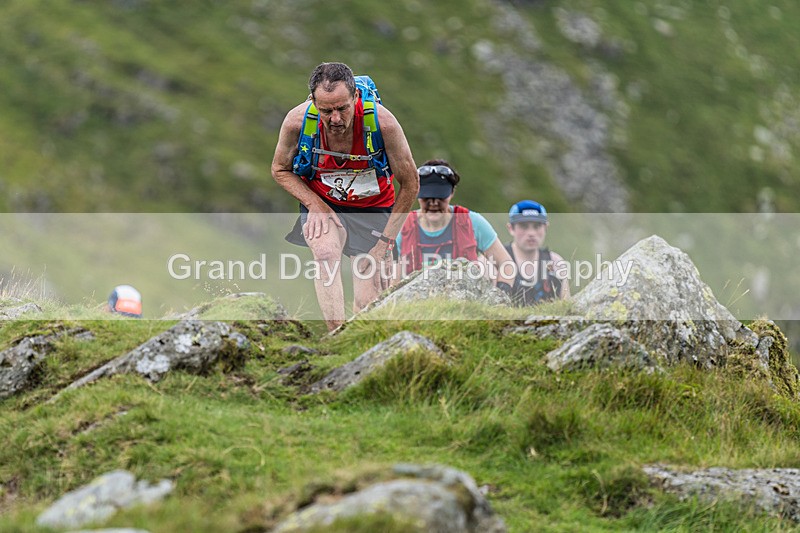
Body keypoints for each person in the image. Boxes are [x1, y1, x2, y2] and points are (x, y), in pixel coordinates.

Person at [271, 62, 419, 331]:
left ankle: (360, 341)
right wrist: (315, 205)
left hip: (373, 207)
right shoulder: (297, 122)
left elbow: (411, 184)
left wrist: (385, 243)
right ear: (313, 102)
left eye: (342, 108)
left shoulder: (383, 124)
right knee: (326, 254)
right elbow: (279, 169)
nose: (335, 119)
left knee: (368, 299)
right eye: (326, 110)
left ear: (355, 97)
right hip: (323, 201)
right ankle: (336, 335)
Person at [396, 159, 516, 295]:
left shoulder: (471, 222)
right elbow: (392, 279)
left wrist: (500, 296)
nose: (434, 203)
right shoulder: (403, 227)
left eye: (440, 197)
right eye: (427, 197)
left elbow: (506, 264)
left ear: (452, 193)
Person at [505, 200, 570, 305]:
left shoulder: (555, 262)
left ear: (546, 228)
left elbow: (566, 306)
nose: (531, 233)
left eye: (537, 226)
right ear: (511, 228)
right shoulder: (494, 260)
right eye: (524, 226)